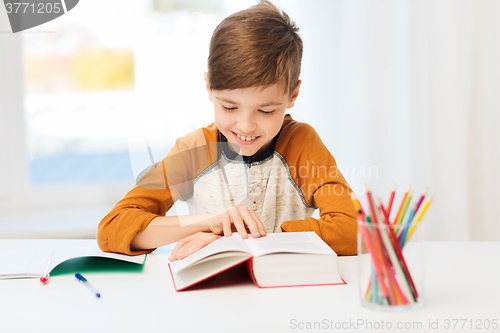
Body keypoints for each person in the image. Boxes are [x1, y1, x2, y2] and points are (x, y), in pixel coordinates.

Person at [97, 0, 357, 260]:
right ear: (209, 87)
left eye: (266, 111)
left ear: (293, 95)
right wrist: (209, 222)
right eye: (229, 107)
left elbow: (354, 230)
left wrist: (238, 241)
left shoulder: (302, 144)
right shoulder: (193, 150)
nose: (245, 126)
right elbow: (113, 228)